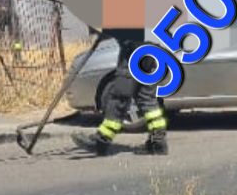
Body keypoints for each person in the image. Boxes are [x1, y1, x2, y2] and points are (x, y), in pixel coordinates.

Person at [72, 28, 168, 156]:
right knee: (146, 97)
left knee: (119, 96)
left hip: (133, 50)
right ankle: (158, 143)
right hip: (151, 49)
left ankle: (101, 140)